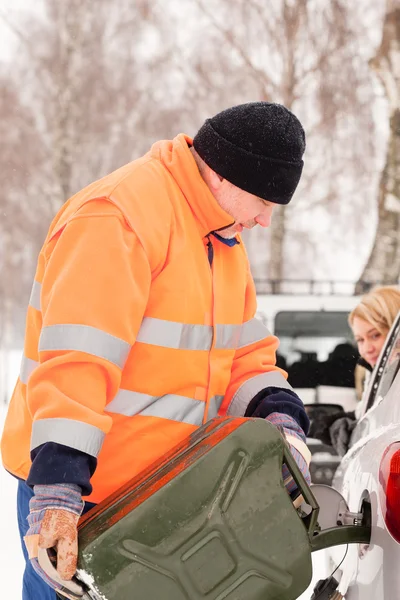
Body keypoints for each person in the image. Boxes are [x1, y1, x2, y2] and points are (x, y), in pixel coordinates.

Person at [1, 101, 311, 599]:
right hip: (89, 498)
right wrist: (60, 486)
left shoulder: (222, 240)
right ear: (231, 177)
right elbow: (77, 364)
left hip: (168, 494)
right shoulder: (120, 216)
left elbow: (245, 357)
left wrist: (279, 417)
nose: (265, 221)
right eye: (265, 203)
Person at [309, 285, 400, 456]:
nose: (367, 349)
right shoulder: (378, 374)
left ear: (395, 333)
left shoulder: (394, 377)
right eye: (360, 340)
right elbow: (368, 415)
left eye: (375, 335)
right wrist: (335, 425)